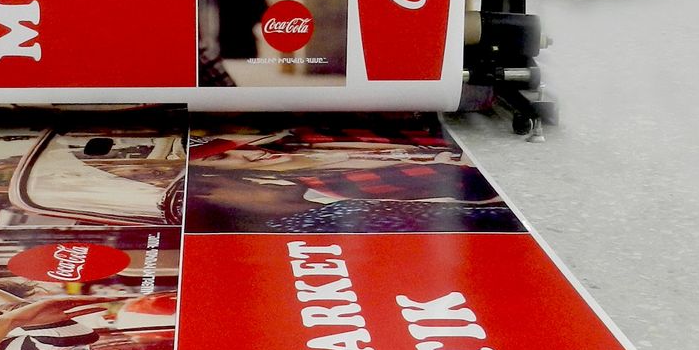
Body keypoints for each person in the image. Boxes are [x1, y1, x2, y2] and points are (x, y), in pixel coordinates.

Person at [184, 127, 523, 234]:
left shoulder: (316, 140)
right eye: (223, 159)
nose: (246, 154)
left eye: (238, 148)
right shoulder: (326, 202)